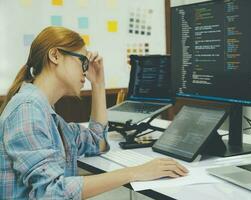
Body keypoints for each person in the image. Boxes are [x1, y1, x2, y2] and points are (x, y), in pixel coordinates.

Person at [0, 26, 188, 199]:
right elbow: (52, 191)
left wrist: (98, 83)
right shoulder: (27, 111)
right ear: (55, 56)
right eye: (83, 61)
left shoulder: (47, 114)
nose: (86, 69)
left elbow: (97, 142)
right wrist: (135, 172)